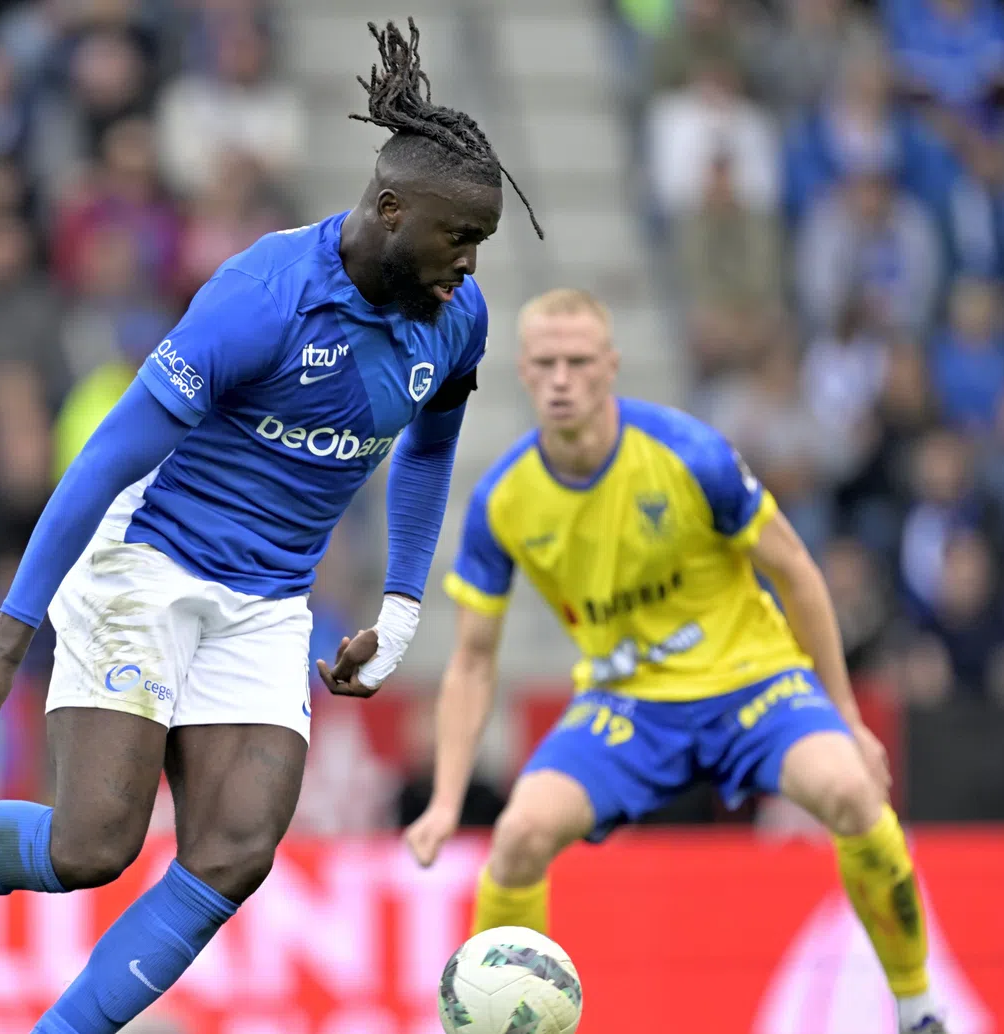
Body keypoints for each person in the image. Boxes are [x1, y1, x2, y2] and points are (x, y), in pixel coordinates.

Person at [0, 20, 541, 1034]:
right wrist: (9, 631)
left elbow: (427, 444)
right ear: (388, 208)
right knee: (92, 846)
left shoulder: (453, 318)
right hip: (148, 559)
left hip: (269, 595)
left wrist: (405, 604)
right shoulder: (261, 297)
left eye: (481, 244)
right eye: (459, 237)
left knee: (235, 850)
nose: (469, 264)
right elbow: (108, 455)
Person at [405, 288, 950, 1034]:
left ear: (611, 369)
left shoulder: (687, 454)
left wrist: (847, 717)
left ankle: (919, 1007)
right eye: (546, 364)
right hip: (627, 704)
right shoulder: (504, 500)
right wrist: (444, 800)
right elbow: (471, 662)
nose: (563, 378)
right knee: (519, 835)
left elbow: (796, 572)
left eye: (579, 361)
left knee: (854, 794)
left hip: (751, 684)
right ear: (524, 374)